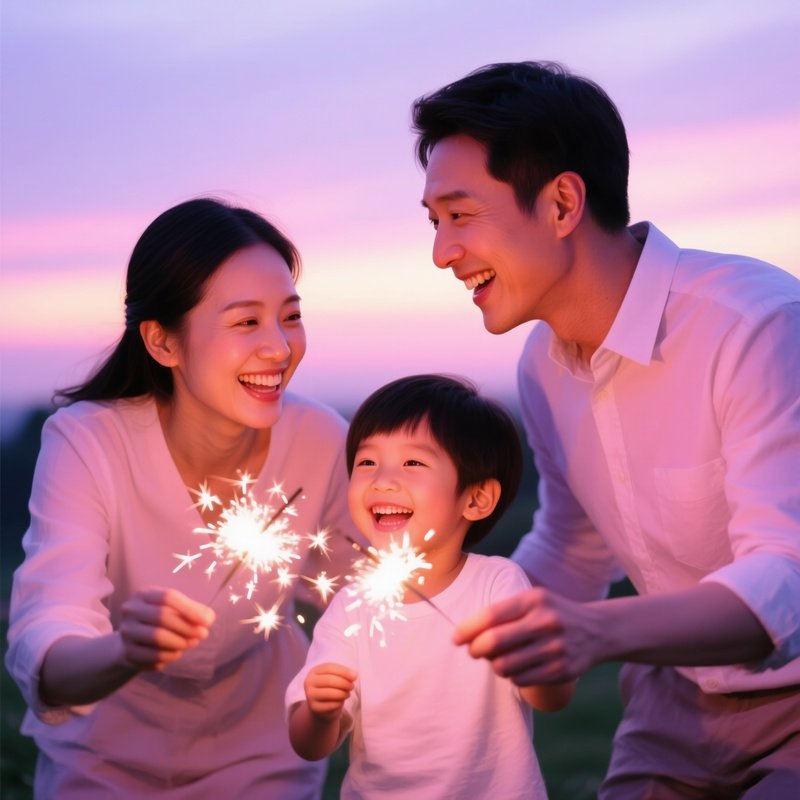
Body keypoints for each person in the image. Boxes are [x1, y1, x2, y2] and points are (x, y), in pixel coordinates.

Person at [412, 61, 800, 797]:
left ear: (561, 203)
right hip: (674, 701)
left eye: (460, 215)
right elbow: (571, 546)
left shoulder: (757, 326)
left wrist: (598, 631)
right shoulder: (544, 368)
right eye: (435, 222)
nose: (441, 252)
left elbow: (788, 575)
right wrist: (441, 618)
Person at [5, 197, 363, 798]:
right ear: (163, 342)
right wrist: (125, 650)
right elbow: (50, 633)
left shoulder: (323, 440)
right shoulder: (88, 441)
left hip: (266, 751)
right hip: (102, 758)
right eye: (246, 321)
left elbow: (365, 592)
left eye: (290, 316)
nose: (278, 347)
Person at [285, 374, 574, 799]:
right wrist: (319, 712)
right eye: (366, 462)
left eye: (413, 463)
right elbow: (308, 746)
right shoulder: (353, 606)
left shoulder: (497, 584)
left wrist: (536, 663)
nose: (382, 480)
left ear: (476, 499)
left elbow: (552, 698)